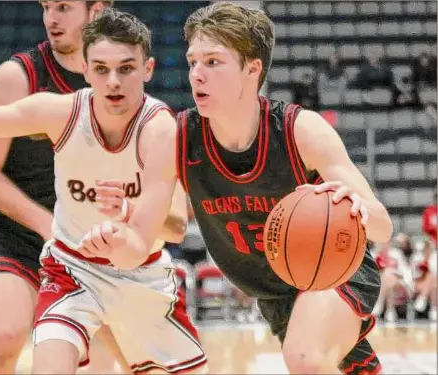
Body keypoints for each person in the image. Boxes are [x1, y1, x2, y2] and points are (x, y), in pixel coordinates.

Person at [80, 3, 393, 374]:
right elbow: (140, 242)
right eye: (193, 61)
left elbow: (382, 227)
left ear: (252, 68)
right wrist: (115, 241)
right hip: (275, 290)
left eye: (213, 62)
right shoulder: (174, 137)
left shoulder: (300, 131)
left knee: (306, 358)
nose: (197, 74)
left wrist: (359, 207)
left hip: (335, 268)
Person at [0, 8, 206, 375]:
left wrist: (122, 225)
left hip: (140, 277)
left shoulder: (160, 129)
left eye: (126, 69)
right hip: (69, 269)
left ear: (147, 69)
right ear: (86, 71)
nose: (113, 82)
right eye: (102, 69)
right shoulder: (58, 110)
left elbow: (149, 239)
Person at [0, 1, 129, 373]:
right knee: (4, 336)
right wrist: (46, 225)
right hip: (15, 233)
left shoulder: (114, 79)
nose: (51, 19)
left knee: (121, 356)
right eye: (46, 7)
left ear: (97, 10)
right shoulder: (16, 77)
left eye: (64, 7)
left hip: (88, 238)